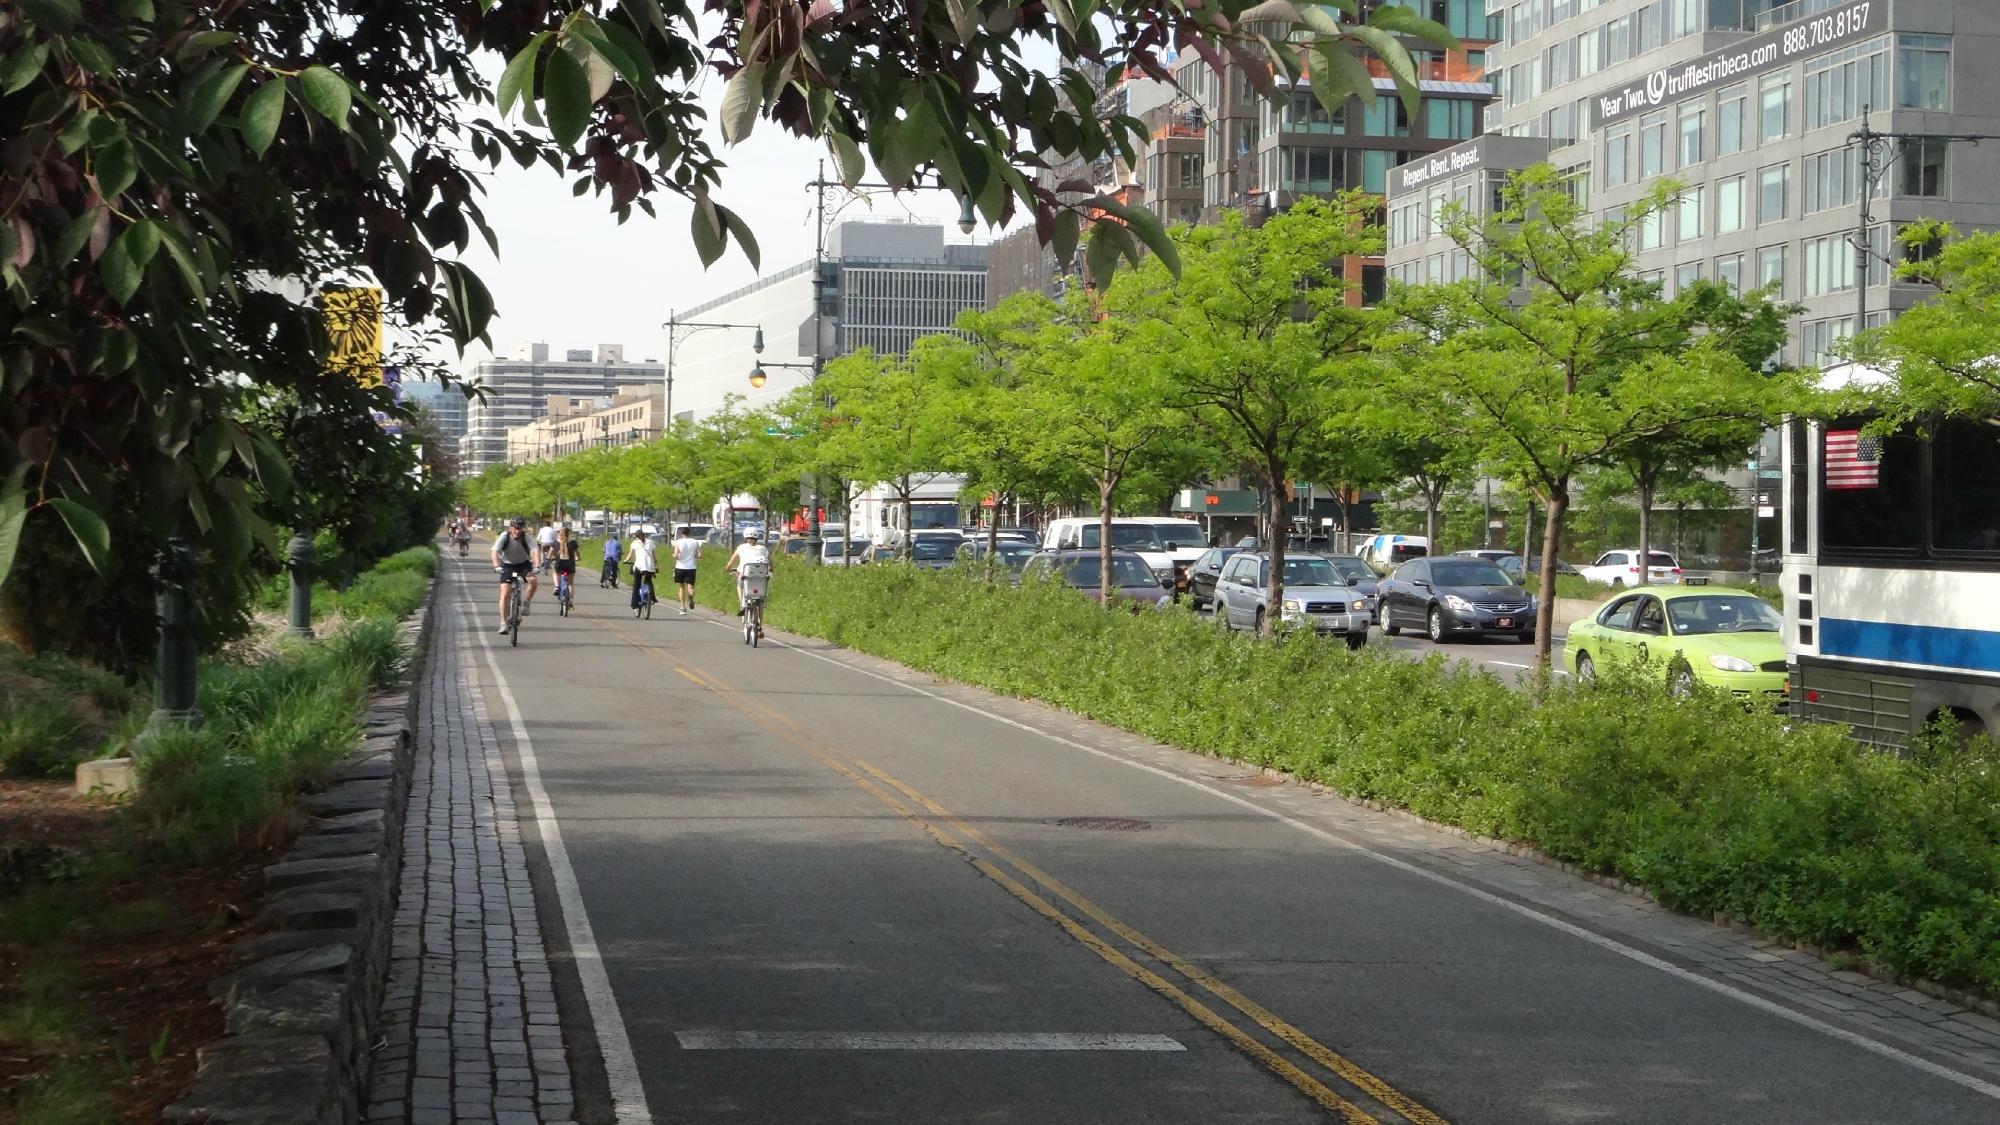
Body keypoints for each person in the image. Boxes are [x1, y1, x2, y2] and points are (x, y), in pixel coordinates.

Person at [491, 517, 540, 634]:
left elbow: (535, 551)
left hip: (523, 565)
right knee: (505, 593)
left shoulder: (526, 537)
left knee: (533, 581)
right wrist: (496, 565)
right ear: (511, 528)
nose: (517, 531)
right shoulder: (504, 536)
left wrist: (537, 565)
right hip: (508, 566)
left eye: (520, 528)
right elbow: (495, 551)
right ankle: (503, 623)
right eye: (515, 528)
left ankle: (527, 603)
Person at [724, 527, 772, 617]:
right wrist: (771, 570)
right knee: (760, 600)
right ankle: (759, 627)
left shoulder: (741, 547)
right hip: (760, 576)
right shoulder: (763, 549)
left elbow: (731, 561)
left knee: (739, 585)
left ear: (745, 538)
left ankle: (742, 605)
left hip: (745, 574)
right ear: (757, 538)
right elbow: (770, 563)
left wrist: (728, 568)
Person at [671, 525, 702, 614]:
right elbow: (699, 555)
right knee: (690, 586)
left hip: (680, 566)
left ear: (682, 533)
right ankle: (691, 596)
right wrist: (693, 556)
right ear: (689, 533)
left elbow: (676, 555)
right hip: (691, 567)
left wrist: (674, 556)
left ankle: (683, 607)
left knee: (681, 587)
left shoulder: (678, 542)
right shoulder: (695, 542)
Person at [625, 528, 658, 611]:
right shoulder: (651, 542)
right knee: (649, 581)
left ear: (636, 537)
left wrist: (625, 561)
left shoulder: (635, 543)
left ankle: (635, 604)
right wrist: (656, 565)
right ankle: (652, 597)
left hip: (639, 567)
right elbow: (654, 556)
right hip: (649, 567)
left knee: (636, 585)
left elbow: (630, 555)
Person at [552, 524, 580, 605]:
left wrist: (548, 558)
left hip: (559, 565)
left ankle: (557, 587)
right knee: (570, 584)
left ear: (559, 534)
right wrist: (577, 558)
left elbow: (550, 553)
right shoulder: (573, 543)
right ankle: (570, 600)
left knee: (555, 573)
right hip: (570, 566)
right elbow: (577, 555)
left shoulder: (555, 543)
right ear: (569, 534)